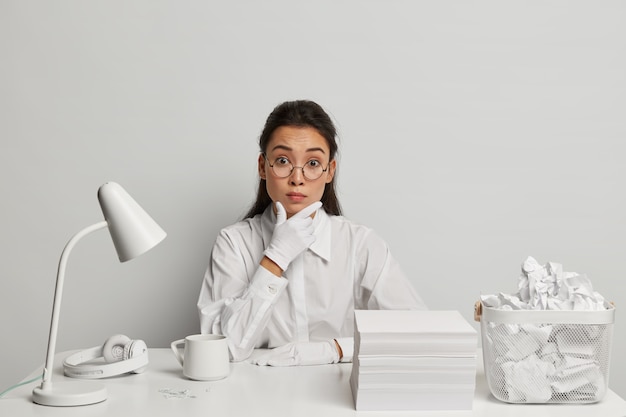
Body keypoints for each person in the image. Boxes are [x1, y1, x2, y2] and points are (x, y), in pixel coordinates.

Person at [197, 100, 427, 366]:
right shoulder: (233, 243)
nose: (297, 178)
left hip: (339, 395)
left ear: (330, 171)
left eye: (313, 163)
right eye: (283, 160)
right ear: (263, 166)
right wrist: (276, 258)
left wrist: (337, 349)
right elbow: (221, 350)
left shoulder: (359, 244)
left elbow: (417, 330)